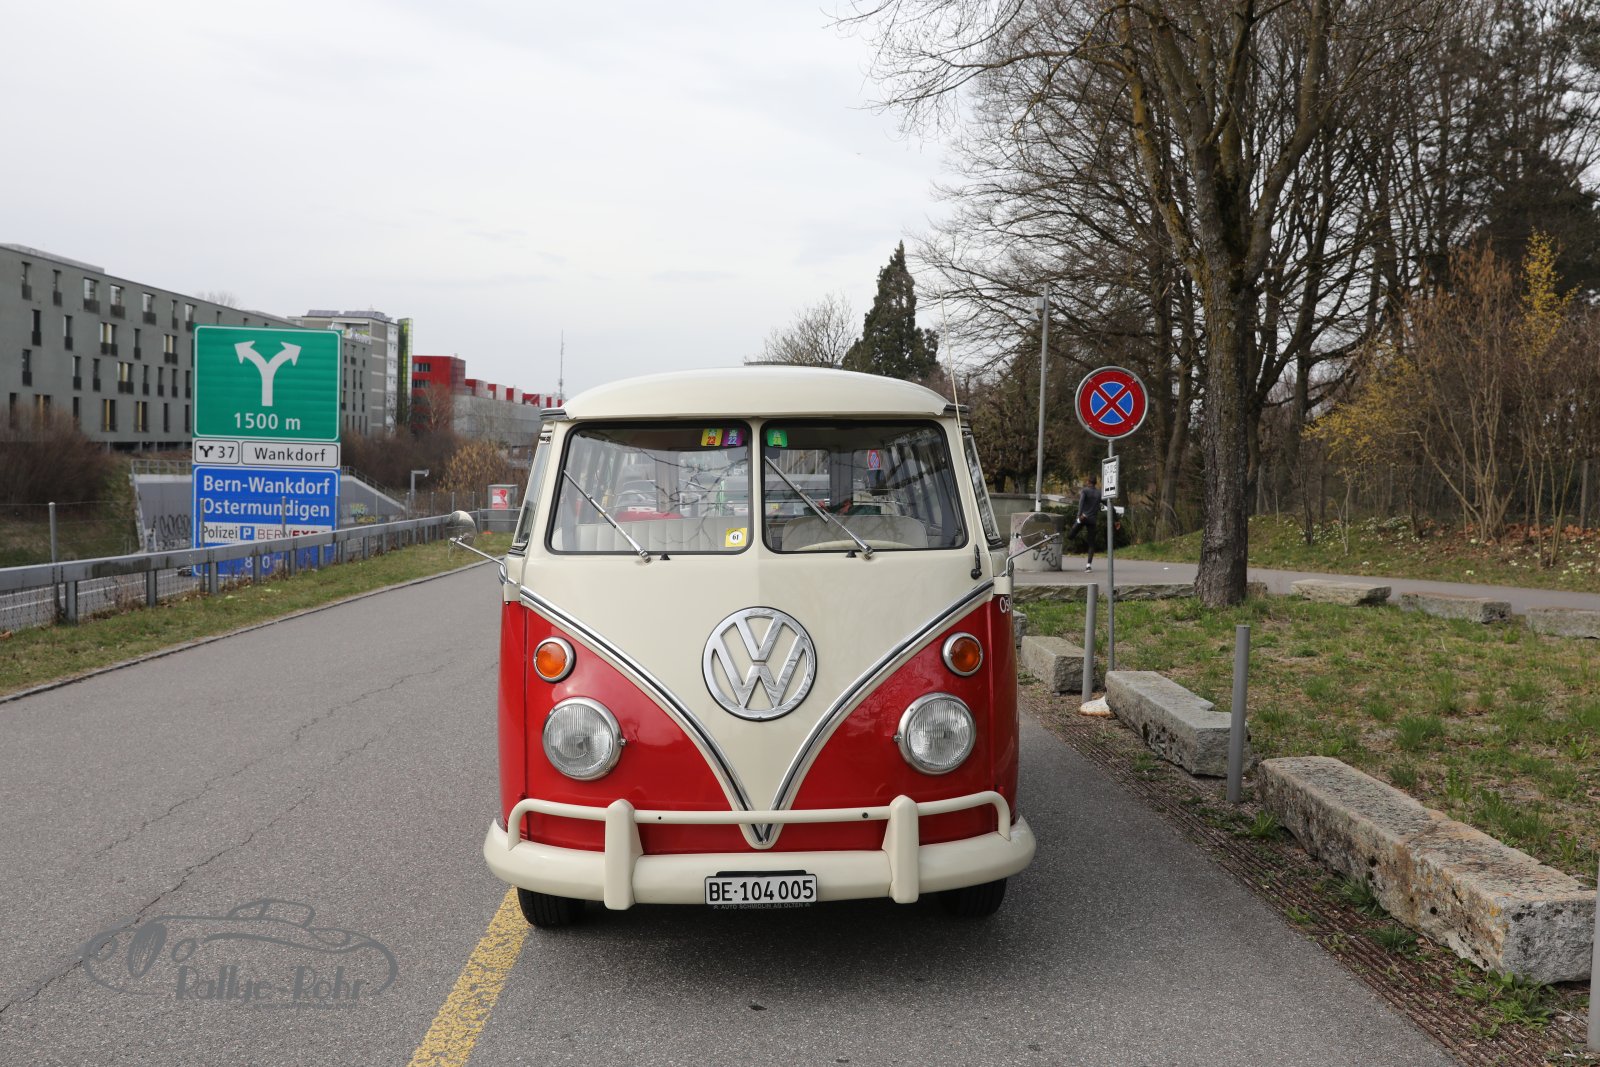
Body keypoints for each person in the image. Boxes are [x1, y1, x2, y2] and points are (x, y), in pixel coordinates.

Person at [1070, 473, 1103, 570]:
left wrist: (1078, 516)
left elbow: (1081, 503)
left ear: (1088, 482)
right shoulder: (1099, 493)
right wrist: (1115, 518)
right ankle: (1088, 565)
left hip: (1083, 518)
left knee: (1071, 535)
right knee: (1091, 544)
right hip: (1092, 520)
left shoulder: (1084, 491)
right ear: (1095, 483)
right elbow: (1108, 504)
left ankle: (1071, 542)